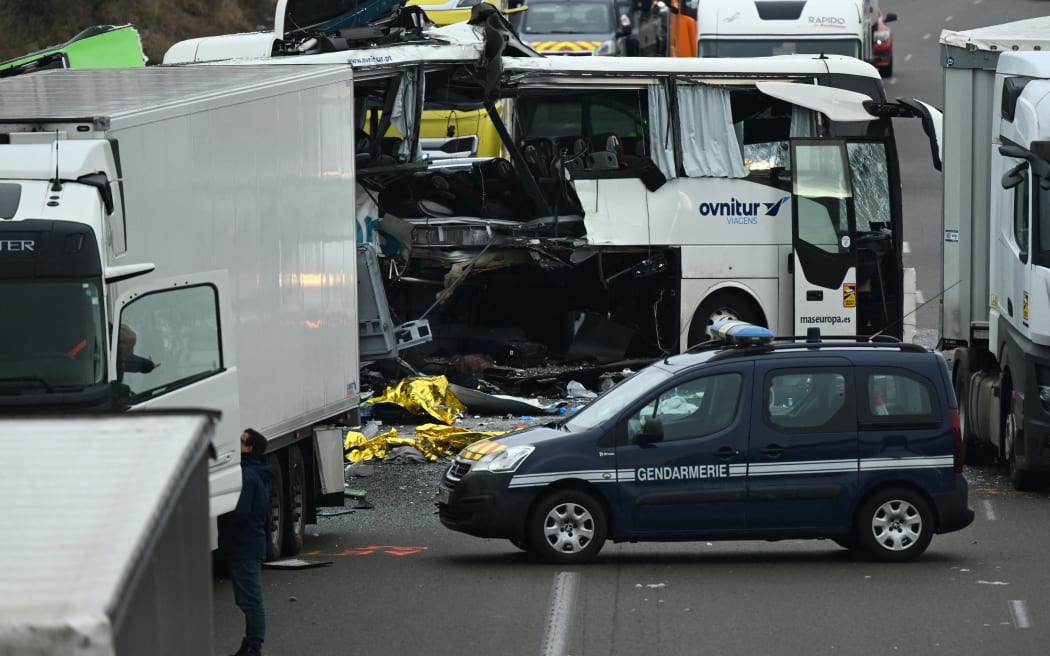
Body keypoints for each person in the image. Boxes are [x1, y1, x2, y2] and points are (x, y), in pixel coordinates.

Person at [218, 428, 272, 656]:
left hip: (244, 545)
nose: (236, 445)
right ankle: (250, 644)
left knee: (251, 600)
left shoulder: (247, 477)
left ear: (249, 448)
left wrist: (226, 535)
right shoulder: (256, 474)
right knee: (248, 599)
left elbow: (240, 514)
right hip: (249, 543)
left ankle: (254, 646)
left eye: (241, 442)